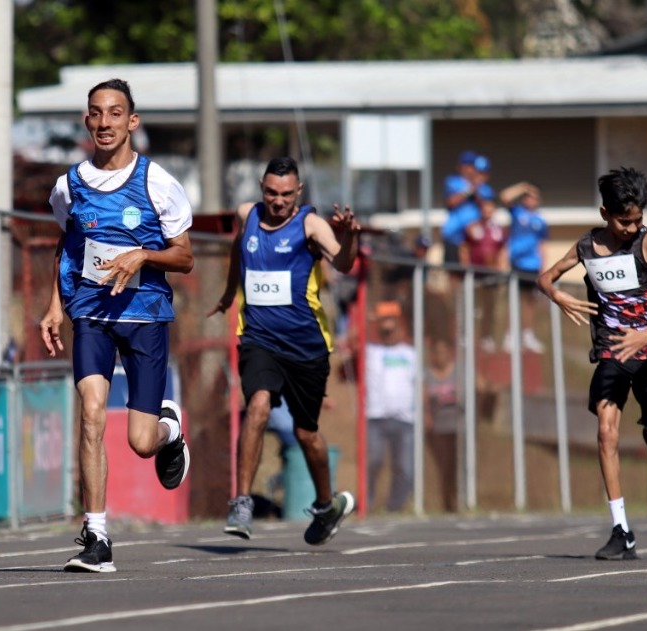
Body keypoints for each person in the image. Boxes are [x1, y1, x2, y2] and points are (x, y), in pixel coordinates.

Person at [40, 78, 193, 573]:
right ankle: (97, 536)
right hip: (90, 314)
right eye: (95, 113)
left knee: (139, 441)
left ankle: (169, 430)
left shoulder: (158, 183)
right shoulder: (69, 185)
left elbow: (185, 257)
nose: (104, 123)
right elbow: (66, 246)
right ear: (87, 121)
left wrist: (143, 255)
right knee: (90, 413)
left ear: (132, 121)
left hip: (145, 315)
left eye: (114, 113)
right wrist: (53, 306)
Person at [537, 166, 647, 561]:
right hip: (612, 352)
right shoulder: (587, 247)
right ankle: (621, 530)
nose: (632, 227)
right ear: (605, 213)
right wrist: (558, 295)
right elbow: (546, 277)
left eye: (638, 219)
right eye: (624, 220)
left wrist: (646, 333)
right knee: (606, 433)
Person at [209, 156, 360, 544]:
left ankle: (326, 505)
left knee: (306, 433)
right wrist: (229, 294)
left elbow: (344, 263)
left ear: (300, 192)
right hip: (259, 339)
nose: (278, 202)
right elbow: (236, 254)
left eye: (286, 195)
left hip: (306, 346)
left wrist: (349, 236)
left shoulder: (310, 224)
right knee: (258, 405)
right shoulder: (247, 216)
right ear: (261, 187)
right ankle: (241, 502)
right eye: (271, 193)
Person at [363, 301, 417, 512]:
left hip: (405, 419)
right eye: (383, 320)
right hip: (375, 416)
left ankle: (395, 507)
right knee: (373, 461)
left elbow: (419, 384)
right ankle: (366, 503)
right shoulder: (371, 350)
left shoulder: (410, 352)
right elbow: (350, 345)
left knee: (404, 467)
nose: (387, 325)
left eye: (391, 319)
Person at [500, 181, 549, 353]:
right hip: (516, 264)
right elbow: (505, 196)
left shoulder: (540, 221)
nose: (531, 199)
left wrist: (544, 268)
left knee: (529, 302)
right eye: (528, 196)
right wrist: (522, 187)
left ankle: (528, 335)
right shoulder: (516, 213)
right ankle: (510, 335)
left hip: (532, 265)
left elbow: (542, 245)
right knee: (513, 301)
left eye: (534, 196)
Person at [460, 198, 506, 352]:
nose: (487, 212)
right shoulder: (473, 227)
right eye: (484, 209)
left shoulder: (498, 230)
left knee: (489, 308)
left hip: (491, 275)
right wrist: (466, 267)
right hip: (475, 273)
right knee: (471, 307)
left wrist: (500, 270)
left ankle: (486, 337)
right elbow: (464, 248)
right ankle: (467, 335)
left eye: (490, 208)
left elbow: (501, 252)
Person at [424, 336, 461, 513]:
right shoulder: (428, 374)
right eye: (437, 352)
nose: (440, 356)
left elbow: (479, 387)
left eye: (444, 352)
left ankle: (459, 498)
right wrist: (427, 415)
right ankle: (448, 503)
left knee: (457, 465)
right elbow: (423, 398)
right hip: (438, 429)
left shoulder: (459, 372)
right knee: (444, 465)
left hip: (458, 427)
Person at [440, 151, 493, 270]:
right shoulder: (453, 181)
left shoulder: (483, 187)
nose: (470, 170)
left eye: (472, 166)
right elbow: (451, 202)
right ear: (460, 167)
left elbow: (487, 208)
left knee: (473, 272)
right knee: (453, 271)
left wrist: (476, 189)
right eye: (467, 166)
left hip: (473, 238)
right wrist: (469, 190)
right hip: (454, 236)